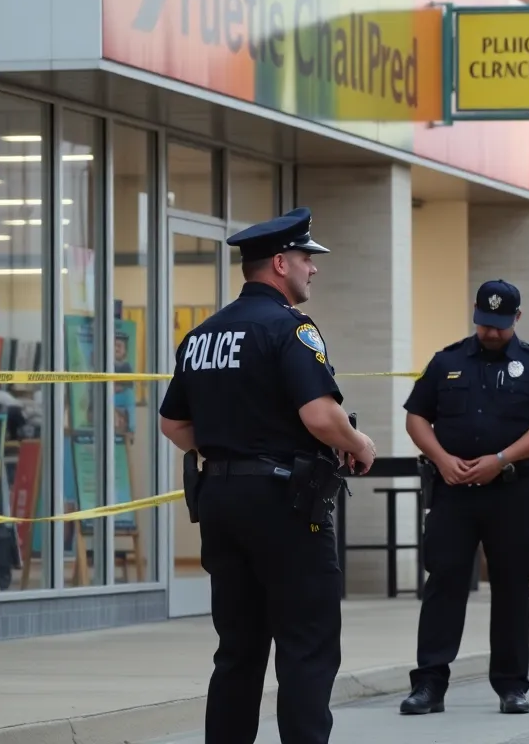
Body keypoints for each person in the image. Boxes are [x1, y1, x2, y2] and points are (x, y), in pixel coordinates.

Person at [158, 207, 377, 744]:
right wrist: (359, 443)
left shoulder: (202, 335)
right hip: (284, 502)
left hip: (221, 500)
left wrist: (229, 451)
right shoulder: (291, 329)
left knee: (238, 648)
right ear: (280, 263)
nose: (313, 269)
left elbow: (172, 423)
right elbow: (319, 416)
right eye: (306, 258)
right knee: (306, 644)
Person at [399, 280, 529, 716]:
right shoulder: (447, 361)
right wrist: (440, 459)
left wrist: (501, 458)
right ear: (474, 314)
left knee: (512, 588)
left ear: (516, 318)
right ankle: (429, 685)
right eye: (484, 324)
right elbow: (416, 416)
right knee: (443, 584)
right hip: (454, 493)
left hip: (511, 492)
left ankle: (512, 685)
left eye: (499, 326)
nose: (491, 333)